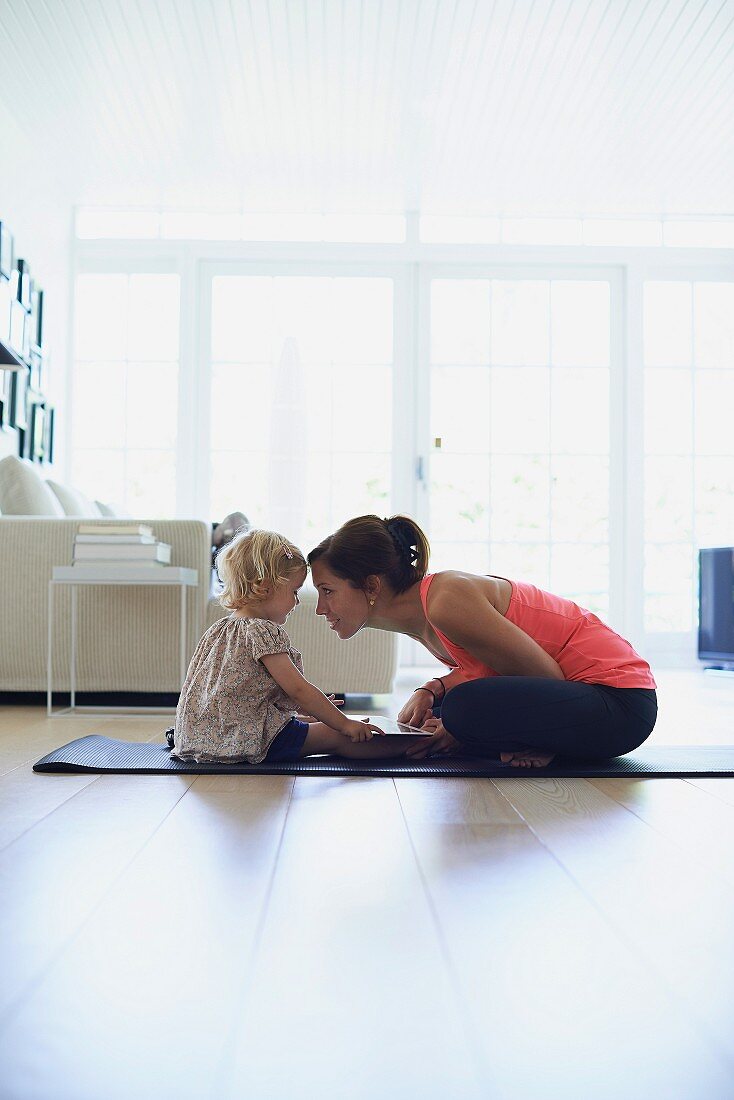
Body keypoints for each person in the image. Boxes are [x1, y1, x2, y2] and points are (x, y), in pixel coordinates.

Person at [308, 515, 658, 768]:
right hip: (587, 703)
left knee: (462, 710)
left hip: (619, 704)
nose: (321, 608)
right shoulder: (425, 614)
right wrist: (431, 689)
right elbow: (493, 669)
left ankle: (528, 744)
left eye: (328, 592)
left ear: (371, 586)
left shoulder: (446, 600)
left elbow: (546, 676)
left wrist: (458, 724)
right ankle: (506, 740)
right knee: (439, 714)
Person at [172, 528, 423, 764]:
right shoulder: (263, 630)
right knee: (337, 735)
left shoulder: (220, 629)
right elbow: (297, 689)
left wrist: (313, 710)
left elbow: (239, 693)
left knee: (322, 724)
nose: (297, 601)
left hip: (201, 738)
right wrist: (344, 724)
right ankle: (420, 745)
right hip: (242, 742)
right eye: (294, 591)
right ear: (265, 586)